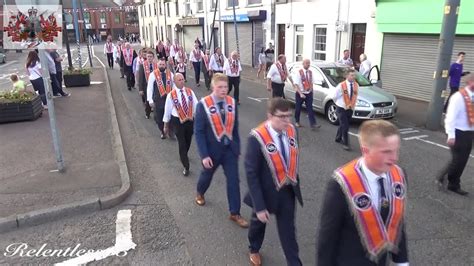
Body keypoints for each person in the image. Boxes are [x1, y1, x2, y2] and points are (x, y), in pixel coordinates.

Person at [317, 120, 409, 266]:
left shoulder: (399, 174)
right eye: (386, 152)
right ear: (365, 150)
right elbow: (327, 237)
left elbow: (397, 220)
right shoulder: (341, 183)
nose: (394, 158)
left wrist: (402, 261)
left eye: (396, 150)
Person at [244, 98, 303, 266]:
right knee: (258, 224)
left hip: (287, 191)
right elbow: (251, 172)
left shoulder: (292, 131)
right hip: (264, 192)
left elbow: (292, 156)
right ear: (270, 116)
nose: (286, 120)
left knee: (288, 233)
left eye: (289, 116)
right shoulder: (257, 137)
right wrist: (260, 206)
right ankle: (254, 248)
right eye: (282, 116)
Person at [194, 73, 249, 228]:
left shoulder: (231, 102)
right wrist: (204, 155)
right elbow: (199, 132)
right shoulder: (203, 104)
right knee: (207, 175)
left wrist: (237, 147)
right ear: (213, 87)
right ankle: (200, 192)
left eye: (225, 87)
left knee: (233, 181)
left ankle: (235, 213)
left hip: (229, 150)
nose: (224, 90)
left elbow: (235, 127)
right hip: (211, 151)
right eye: (220, 87)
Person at [436, 73, 474, 196]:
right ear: (470, 82)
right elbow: (450, 117)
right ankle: (445, 180)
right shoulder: (458, 97)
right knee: (458, 160)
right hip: (458, 132)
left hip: (469, 132)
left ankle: (451, 182)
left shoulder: (472, 97)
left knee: (461, 160)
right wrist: (451, 135)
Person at [163, 73, 198, 176]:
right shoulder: (171, 95)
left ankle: (183, 155)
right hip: (178, 121)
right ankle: (186, 165)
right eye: (179, 80)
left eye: (183, 79)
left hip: (190, 120)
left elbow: (196, 105)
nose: (182, 81)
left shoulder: (189, 92)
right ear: (175, 82)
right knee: (182, 143)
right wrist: (165, 125)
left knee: (188, 141)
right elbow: (167, 110)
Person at [147, 59, 175, 139]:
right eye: (160, 64)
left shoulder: (170, 74)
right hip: (158, 99)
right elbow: (150, 88)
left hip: (169, 100)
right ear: (157, 65)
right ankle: (162, 131)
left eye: (163, 64)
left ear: (165, 65)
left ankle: (170, 131)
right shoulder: (153, 74)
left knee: (171, 116)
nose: (162, 66)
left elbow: (174, 86)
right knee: (159, 117)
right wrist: (150, 100)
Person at [332, 69, 358, 151]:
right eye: (351, 75)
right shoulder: (341, 85)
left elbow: (355, 96)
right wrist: (339, 104)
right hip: (341, 108)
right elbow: (334, 96)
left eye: (354, 75)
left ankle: (338, 138)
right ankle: (346, 143)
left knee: (343, 124)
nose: (353, 77)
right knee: (345, 126)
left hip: (350, 108)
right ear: (347, 76)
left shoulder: (356, 85)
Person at [292, 59, 320, 129]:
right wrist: (300, 93)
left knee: (310, 108)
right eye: (307, 63)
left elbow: (312, 82)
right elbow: (296, 84)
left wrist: (311, 91)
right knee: (298, 108)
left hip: (308, 93)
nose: (308, 64)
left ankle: (313, 124)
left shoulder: (310, 72)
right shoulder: (299, 72)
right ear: (303, 64)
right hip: (300, 93)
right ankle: (297, 121)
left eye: (309, 63)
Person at [138, 50, 158, 119]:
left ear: (153, 57)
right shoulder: (142, 65)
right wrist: (140, 89)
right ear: (146, 57)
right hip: (146, 87)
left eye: (151, 56)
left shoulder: (156, 65)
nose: (149, 58)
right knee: (148, 100)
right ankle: (147, 113)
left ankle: (156, 115)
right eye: (148, 56)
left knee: (155, 100)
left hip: (155, 86)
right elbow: (140, 78)